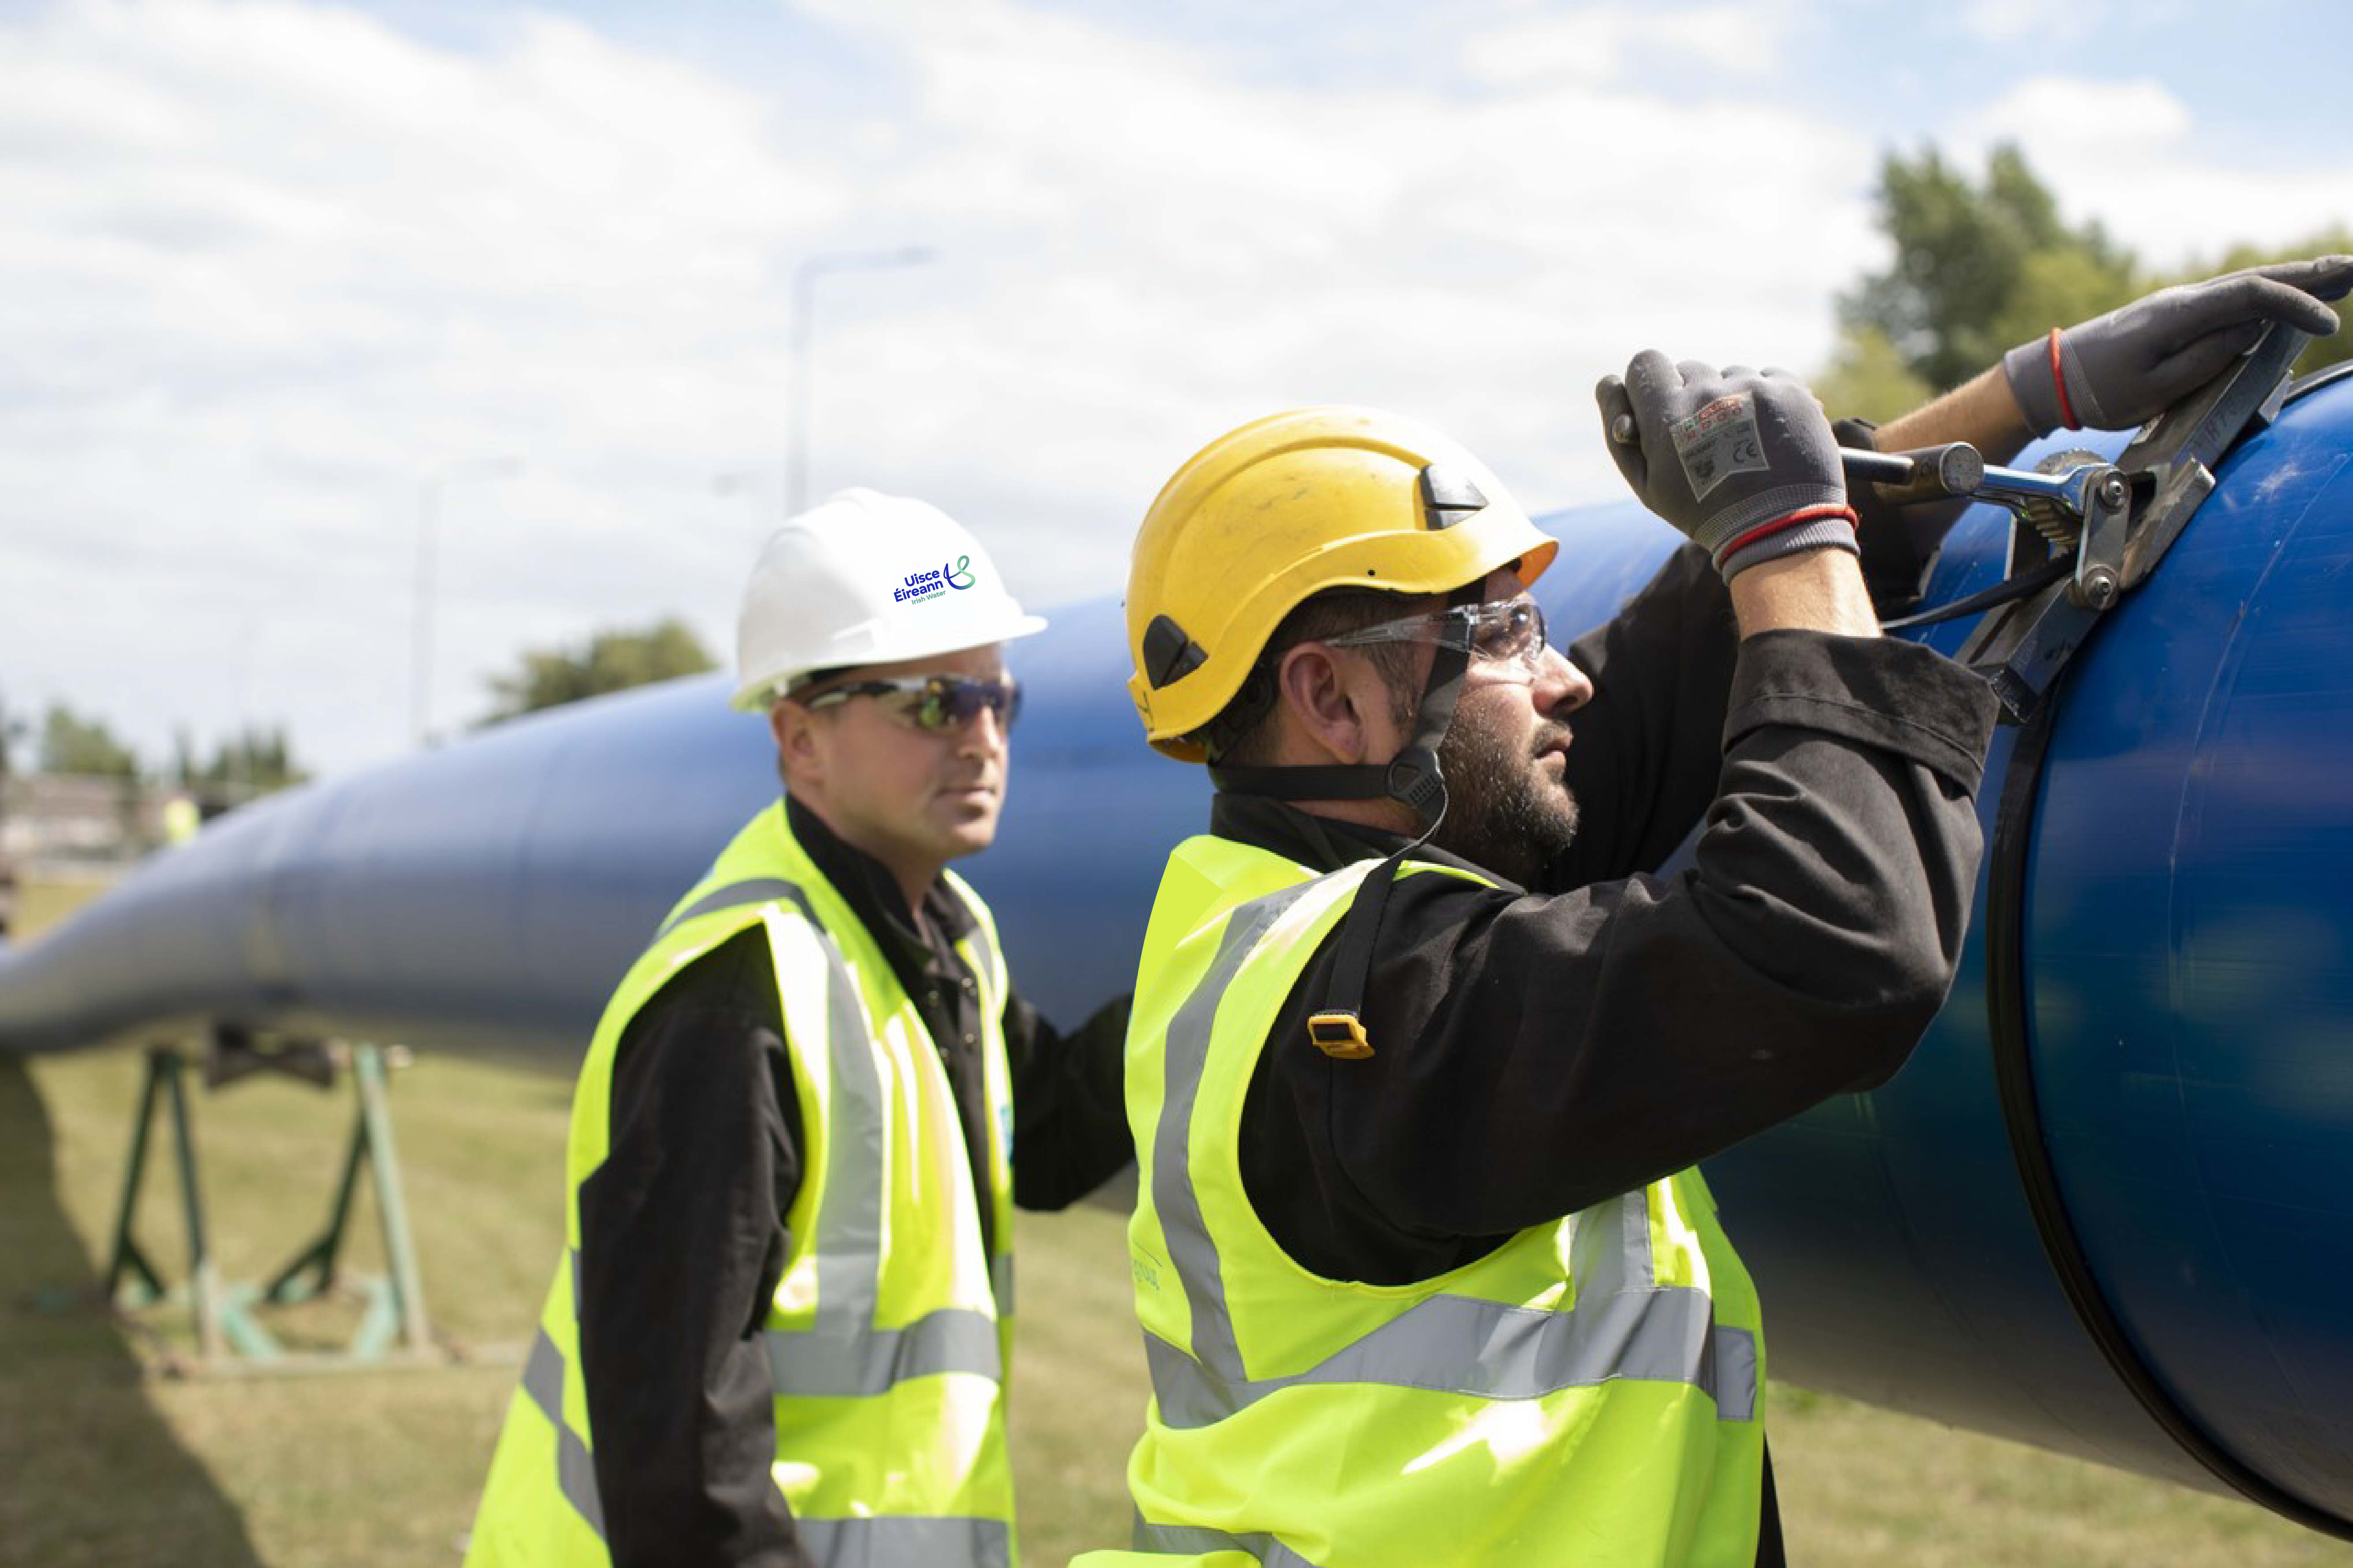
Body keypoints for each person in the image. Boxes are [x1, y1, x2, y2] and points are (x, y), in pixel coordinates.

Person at [1075, 260, 2352, 1568]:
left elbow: (1665, 681)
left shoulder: (1313, 905)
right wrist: (1785, 541)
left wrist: (2032, 394)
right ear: (1330, 700)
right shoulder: (1367, 1020)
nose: (1561, 674)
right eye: (1505, 632)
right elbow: (1827, 934)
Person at [467, 489, 1134, 1567]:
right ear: (800, 739)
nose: (979, 738)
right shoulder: (736, 1001)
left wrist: (1220, 969)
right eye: (931, 702)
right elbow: (680, 1445)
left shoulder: (945, 935)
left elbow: (1043, 1136)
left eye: (996, 701)